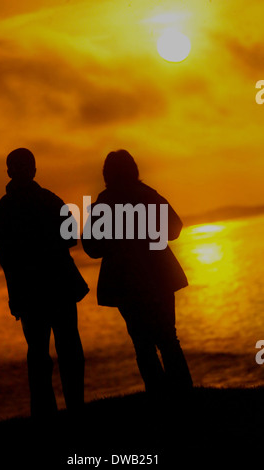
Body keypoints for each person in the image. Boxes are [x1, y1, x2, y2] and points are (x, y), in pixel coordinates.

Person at [82, 149, 192, 398]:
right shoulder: (148, 195)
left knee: (142, 343)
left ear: (106, 175)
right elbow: (175, 228)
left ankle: (159, 396)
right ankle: (184, 395)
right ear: (134, 170)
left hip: (124, 281)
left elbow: (91, 247)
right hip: (159, 276)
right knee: (167, 338)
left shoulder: (104, 204)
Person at [0, 148, 87, 419]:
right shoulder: (51, 200)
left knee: (38, 354)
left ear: (10, 172)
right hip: (59, 286)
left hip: (29, 290)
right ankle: (76, 408)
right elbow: (71, 240)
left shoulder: (4, 208)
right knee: (69, 348)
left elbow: (6, 256)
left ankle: (45, 413)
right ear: (33, 170)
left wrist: (15, 296)